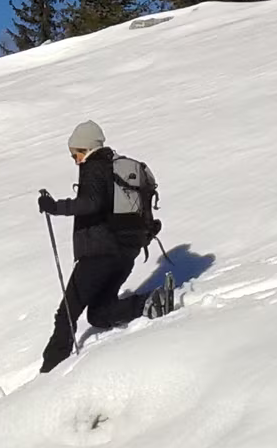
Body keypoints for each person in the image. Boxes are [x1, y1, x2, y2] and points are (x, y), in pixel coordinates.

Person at [35, 120, 173, 373]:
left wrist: (55, 207)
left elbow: (92, 203)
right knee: (99, 313)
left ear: (86, 148)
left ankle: (49, 373)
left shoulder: (95, 166)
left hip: (98, 253)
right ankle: (149, 303)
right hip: (125, 251)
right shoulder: (112, 166)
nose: (75, 161)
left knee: (66, 314)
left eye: (75, 154)